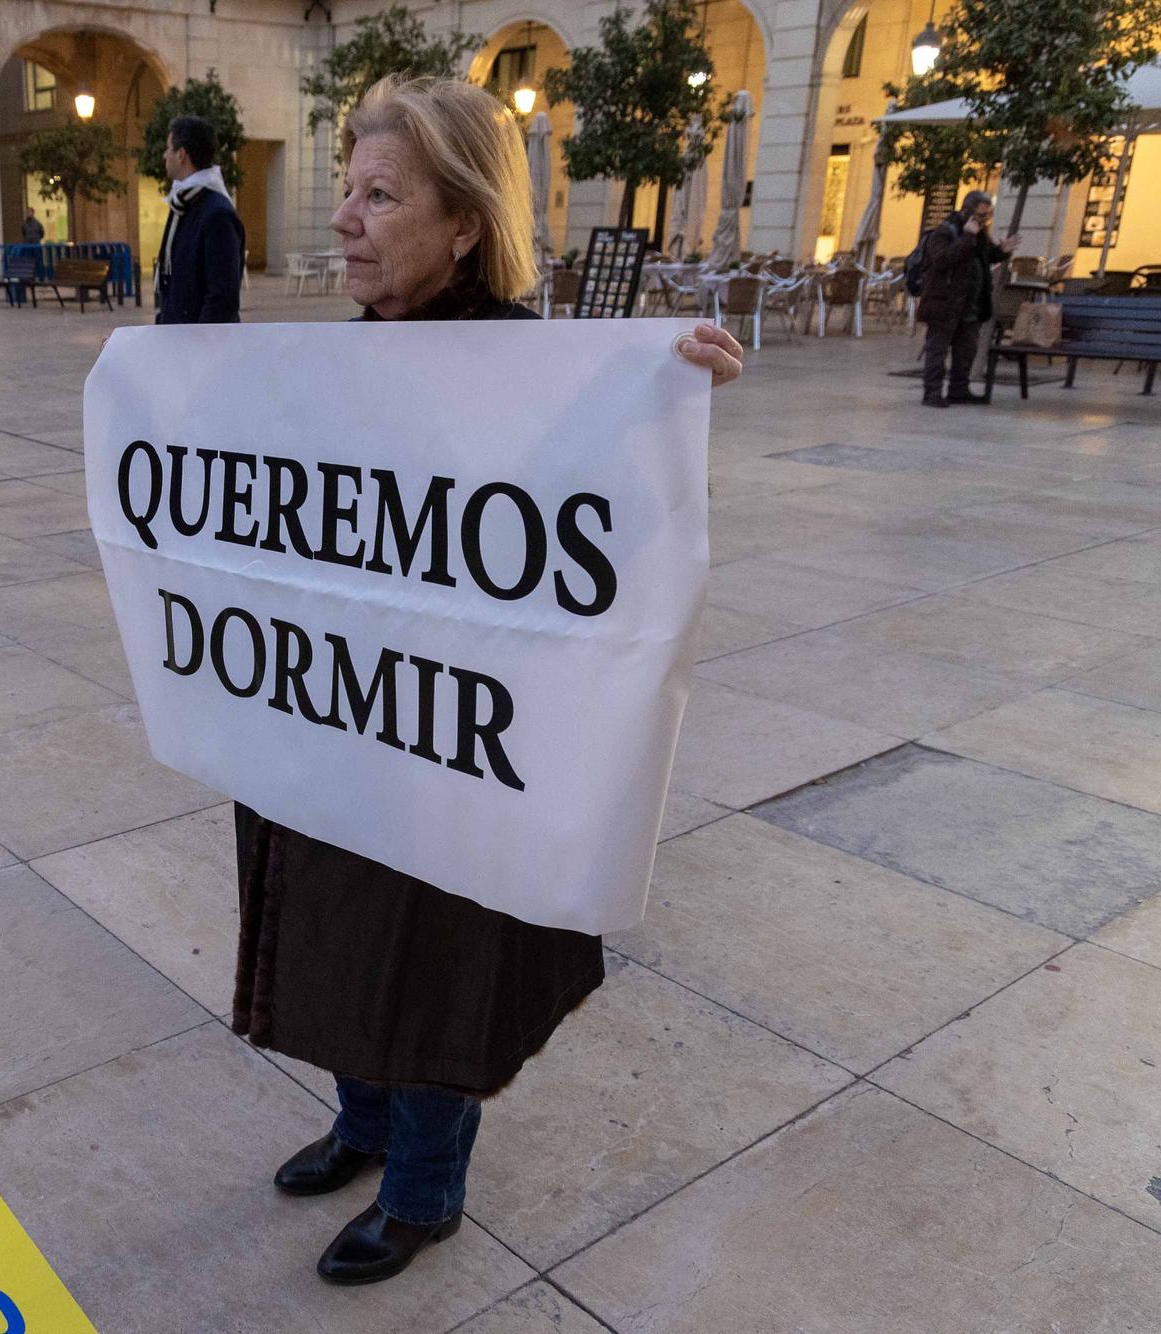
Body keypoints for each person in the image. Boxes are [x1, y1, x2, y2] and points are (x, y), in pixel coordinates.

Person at [230, 75, 743, 1286]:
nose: (345, 218)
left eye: (380, 195)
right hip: (342, 719)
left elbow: (601, 541)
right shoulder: (331, 363)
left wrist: (664, 390)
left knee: (435, 957)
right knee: (338, 927)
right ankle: (360, 1126)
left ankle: (424, 1187)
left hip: (455, 746)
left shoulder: (542, 366)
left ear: (464, 222)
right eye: (346, 190)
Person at [916, 189, 1018, 407]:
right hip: (944, 304)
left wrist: (1003, 251)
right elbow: (943, 259)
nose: (984, 220)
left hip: (970, 306)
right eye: (981, 215)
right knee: (938, 350)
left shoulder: (980, 235)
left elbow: (986, 256)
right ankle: (932, 393)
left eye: (988, 215)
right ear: (967, 212)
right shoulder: (943, 233)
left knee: (965, 352)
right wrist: (968, 236)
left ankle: (959, 390)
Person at [155, 115, 244, 325]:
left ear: (181, 154)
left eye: (169, 148)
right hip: (179, 341)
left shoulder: (217, 214)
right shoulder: (184, 204)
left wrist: (199, 350)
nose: (164, 155)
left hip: (199, 349)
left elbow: (222, 299)